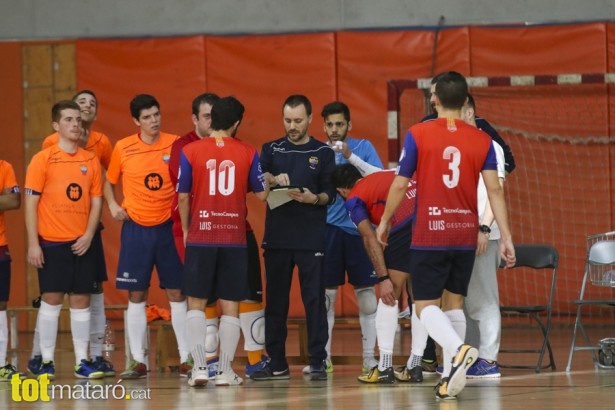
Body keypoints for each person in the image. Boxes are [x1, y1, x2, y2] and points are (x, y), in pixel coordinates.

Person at [376, 71, 515, 400]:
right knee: (454, 304)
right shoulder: (484, 141)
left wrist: (384, 222)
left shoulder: (419, 134)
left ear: (434, 99)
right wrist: (506, 237)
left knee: (424, 306)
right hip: (466, 234)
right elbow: (495, 191)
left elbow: (399, 183)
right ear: (466, 101)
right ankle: (455, 373)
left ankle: (457, 350)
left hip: (430, 232)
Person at [169, 93, 269, 379]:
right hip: (234, 239)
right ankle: (225, 371)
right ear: (236, 123)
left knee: (197, 304)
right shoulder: (248, 152)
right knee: (231, 307)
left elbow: (183, 196)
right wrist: (269, 180)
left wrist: (187, 230)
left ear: (211, 119)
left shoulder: (190, 151)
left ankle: (200, 368)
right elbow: (261, 194)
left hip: (201, 236)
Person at [29, 90, 115, 378]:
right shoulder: (42, 159)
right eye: (69, 119)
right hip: (52, 244)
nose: (76, 124)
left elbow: (97, 201)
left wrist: (89, 235)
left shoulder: (90, 160)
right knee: (51, 301)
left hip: (82, 243)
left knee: (81, 303)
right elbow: (30, 204)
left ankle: (82, 362)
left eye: (78, 120)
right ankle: (46, 362)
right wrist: (33, 244)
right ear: (56, 126)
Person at [251, 95, 336, 381]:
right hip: (277, 239)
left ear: (311, 119)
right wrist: (273, 179)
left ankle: (317, 361)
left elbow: (330, 194)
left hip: (311, 238)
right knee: (275, 302)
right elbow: (258, 182)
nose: (292, 126)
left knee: (314, 301)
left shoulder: (323, 152)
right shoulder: (271, 149)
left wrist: (314, 199)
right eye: (287, 120)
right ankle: (276, 361)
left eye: (298, 121)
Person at [104, 94, 186, 379]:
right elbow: (108, 181)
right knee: (136, 294)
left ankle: (187, 357)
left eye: (156, 115)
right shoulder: (123, 147)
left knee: (177, 292)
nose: (154, 121)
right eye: (147, 117)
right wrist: (114, 205)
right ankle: (137, 361)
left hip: (168, 228)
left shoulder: (176, 143)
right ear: (136, 121)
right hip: (136, 229)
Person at [331, 164, 430, 385]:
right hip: (432, 216)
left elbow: (368, 238)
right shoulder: (379, 176)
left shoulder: (353, 198)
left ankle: (384, 367)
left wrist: (383, 278)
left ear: (341, 190)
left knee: (390, 293)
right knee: (421, 296)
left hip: (407, 222)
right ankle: (415, 366)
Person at [308, 101, 382, 376]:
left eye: (340, 124)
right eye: (330, 124)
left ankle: (369, 359)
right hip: (328, 232)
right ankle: (323, 359)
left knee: (367, 300)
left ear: (349, 125)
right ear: (323, 126)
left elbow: (378, 179)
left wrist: (351, 158)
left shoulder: (363, 148)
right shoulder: (317, 152)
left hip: (359, 231)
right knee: (326, 297)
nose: (335, 129)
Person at [168, 92, 220, 377]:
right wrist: (188, 229)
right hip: (189, 230)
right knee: (197, 295)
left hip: (221, 227)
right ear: (194, 119)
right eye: (206, 116)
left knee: (219, 295)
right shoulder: (182, 147)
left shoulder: (225, 144)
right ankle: (196, 359)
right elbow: (186, 189)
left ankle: (211, 360)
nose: (211, 121)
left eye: (215, 115)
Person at [461, 95, 506, 378]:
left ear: (469, 112)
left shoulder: (490, 146)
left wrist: (485, 227)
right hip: (457, 234)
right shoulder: (455, 146)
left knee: (484, 298)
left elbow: (495, 191)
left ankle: (488, 360)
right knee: (462, 299)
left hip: (483, 234)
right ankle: (468, 357)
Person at [421, 75, 516, 175]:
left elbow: (508, 161)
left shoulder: (479, 125)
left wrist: (484, 185)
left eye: (435, 94)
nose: (432, 99)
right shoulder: (425, 125)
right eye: (431, 94)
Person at [0, 160, 25, 381]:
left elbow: (13, 199)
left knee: (0, 305)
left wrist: (5, 199)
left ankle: (1, 364)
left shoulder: (5, 167)